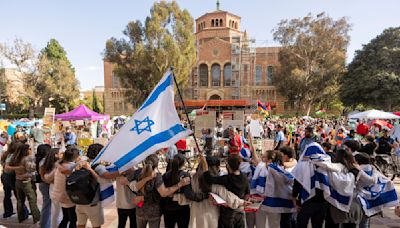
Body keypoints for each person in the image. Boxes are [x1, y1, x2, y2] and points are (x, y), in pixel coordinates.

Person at [126, 154, 190, 228]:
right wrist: (179, 184)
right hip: (154, 212)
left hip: (140, 211)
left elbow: (127, 183)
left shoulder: (137, 172)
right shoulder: (157, 176)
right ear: (156, 164)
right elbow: (164, 193)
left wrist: (141, 196)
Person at [76, 143, 121, 228]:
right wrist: (122, 170)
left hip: (80, 200)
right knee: (96, 226)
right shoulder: (98, 166)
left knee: (80, 225)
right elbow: (108, 176)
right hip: (93, 202)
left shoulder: (82, 163)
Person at [203, 155, 250, 228]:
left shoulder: (226, 179)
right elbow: (247, 193)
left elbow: (209, 179)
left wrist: (204, 164)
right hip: (240, 211)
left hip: (228, 213)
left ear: (228, 165)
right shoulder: (244, 177)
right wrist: (242, 202)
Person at [162, 154, 208, 228]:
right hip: (182, 210)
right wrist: (204, 195)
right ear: (183, 163)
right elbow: (189, 194)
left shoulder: (165, 175)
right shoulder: (185, 175)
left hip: (168, 209)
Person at [7, 144, 41, 224]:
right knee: (32, 200)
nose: (30, 150)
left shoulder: (15, 158)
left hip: (18, 181)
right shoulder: (27, 159)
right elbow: (31, 170)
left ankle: (21, 217)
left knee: (20, 200)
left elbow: (8, 168)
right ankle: (37, 218)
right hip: (27, 182)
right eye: (29, 148)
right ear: (25, 150)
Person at [51, 147, 80, 228]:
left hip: (59, 195)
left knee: (66, 217)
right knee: (72, 219)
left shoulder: (60, 165)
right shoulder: (70, 167)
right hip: (67, 197)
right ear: (76, 157)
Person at [1, 141, 26, 218]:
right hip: (11, 177)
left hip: (5, 176)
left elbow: (3, 163)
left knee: (7, 194)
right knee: (18, 195)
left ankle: (8, 212)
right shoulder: (14, 156)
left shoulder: (6, 154)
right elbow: (9, 167)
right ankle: (23, 213)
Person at [41, 148, 62, 228]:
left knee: (56, 212)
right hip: (57, 190)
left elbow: (44, 178)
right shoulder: (57, 166)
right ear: (55, 155)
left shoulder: (47, 164)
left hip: (52, 189)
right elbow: (45, 178)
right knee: (59, 213)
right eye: (61, 153)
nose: (63, 155)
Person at [36, 144, 52, 228]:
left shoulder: (41, 160)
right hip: (45, 184)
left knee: (47, 205)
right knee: (47, 206)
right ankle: (44, 225)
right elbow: (43, 174)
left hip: (43, 184)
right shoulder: (44, 161)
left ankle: (45, 224)